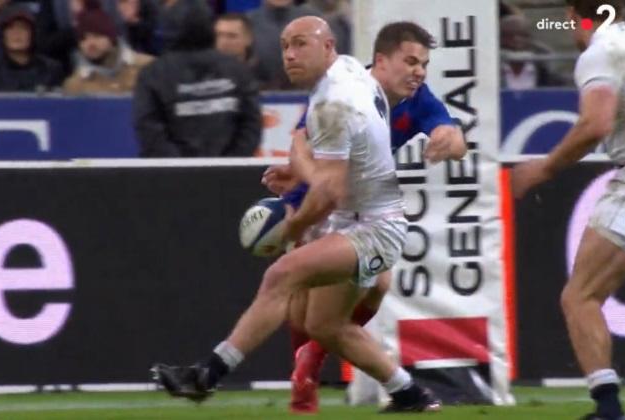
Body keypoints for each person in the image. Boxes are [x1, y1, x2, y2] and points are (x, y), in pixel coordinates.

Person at [153, 16, 441, 413]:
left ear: (328, 47)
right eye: (286, 45)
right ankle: (412, 395)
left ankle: (207, 375)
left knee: (281, 274)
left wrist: (292, 228)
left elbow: (329, 194)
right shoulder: (345, 71)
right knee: (325, 326)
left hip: (375, 228)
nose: (289, 54)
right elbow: (317, 158)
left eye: (301, 44)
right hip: (360, 219)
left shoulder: (333, 104)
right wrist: (302, 171)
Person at [264, 21, 466, 413]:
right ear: (381, 61)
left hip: (359, 209)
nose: (419, 72)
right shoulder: (343, 87)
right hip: (318, 203)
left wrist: (450, 139)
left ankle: (310, 363)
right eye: (411, 62)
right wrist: (306, 178)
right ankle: (306, 376)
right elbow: (299, 145)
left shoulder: (417, 99)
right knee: (310, 302)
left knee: (368, 289)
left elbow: (454, 135)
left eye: (424, 64)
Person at [511, 1, 625, 419]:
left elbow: (595, 123)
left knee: (580, 297)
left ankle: (608, 410)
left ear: (576, 17)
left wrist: (544, 168)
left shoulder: (601, 51)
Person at [133, 0, 261, 157]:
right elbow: (251, 125)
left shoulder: (153, 73)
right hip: (227, 169)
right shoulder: (237, 69)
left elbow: (148, 127)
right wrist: (229, 163)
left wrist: (179, 165)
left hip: (172, 170)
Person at [62, 0, 153, 95]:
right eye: (83, 39)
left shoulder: (147, 67)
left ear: (111, 38)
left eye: (97, 36)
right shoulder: (75, 85)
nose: (90, 44)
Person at [0, 5, 64, 92]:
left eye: (23, 28)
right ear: (2, 35)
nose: (17, 33)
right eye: (10, 28)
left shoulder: (51, 70)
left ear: (33, 34)